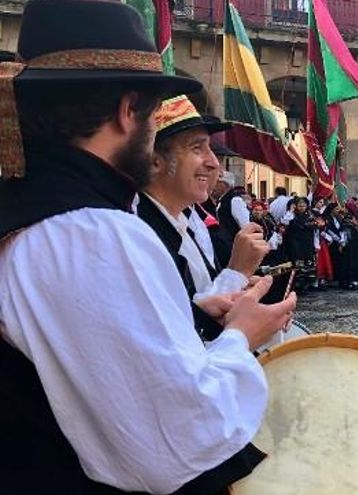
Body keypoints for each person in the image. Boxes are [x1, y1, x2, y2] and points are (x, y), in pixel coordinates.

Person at [0, 1, 297, 492]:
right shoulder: (91, 232)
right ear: (127, 110)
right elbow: (179, 440)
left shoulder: (39, 209)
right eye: (154, 118)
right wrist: (239, 336)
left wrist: (196, 312)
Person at [138, 95, 270, 339]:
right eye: (197, 148)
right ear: (155, 160)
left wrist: (235, 293)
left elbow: (194, 306)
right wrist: (237, 272)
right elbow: (172, 340)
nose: (213, 164)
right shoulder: (140, 232)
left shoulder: (182, 223)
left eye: (211, 149)